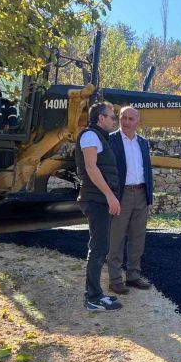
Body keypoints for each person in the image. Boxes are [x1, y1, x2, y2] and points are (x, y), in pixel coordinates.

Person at [75, 101, 123, 311]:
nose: (115, 120)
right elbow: (91, 169)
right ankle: (92, 298)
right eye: (112, 116)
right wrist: (110, 196)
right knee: (98, 248)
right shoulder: (89, 136)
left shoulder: (100, 137)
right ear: (100, 118)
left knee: (101, 246)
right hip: (96, 199)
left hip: (101, 199)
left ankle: (96, 293)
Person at [106, 106, 154, 294]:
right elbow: (106, 170)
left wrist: (149, 196)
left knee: (137, 238)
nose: (126, 122)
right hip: (121, 195)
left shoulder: (142, 142)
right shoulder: (111, 140)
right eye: (123, 118)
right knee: (116, 238)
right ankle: (115, 279)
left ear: (138, 121)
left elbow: (147, 170)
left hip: (141, 194)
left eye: (130, 119)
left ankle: (133, 276)